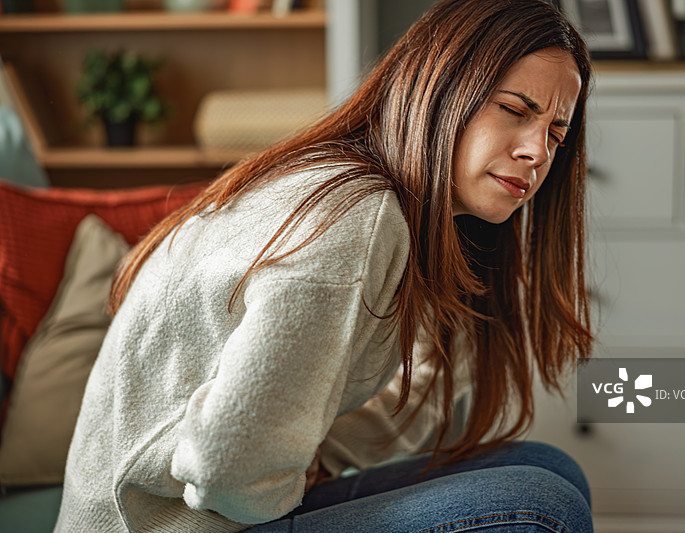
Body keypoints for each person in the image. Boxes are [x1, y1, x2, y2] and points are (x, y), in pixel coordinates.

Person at [55, 0, 594, 531]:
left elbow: (419, 400)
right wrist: (275, 473)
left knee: (549, 466)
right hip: (172, 525)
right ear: (441, 92)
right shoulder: (355, 212)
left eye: (555, 133)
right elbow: (228, 462)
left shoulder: (432, 225)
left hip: (226, 507)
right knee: (541, 504)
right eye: (515, 110)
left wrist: (309, 458)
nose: (538, 152)